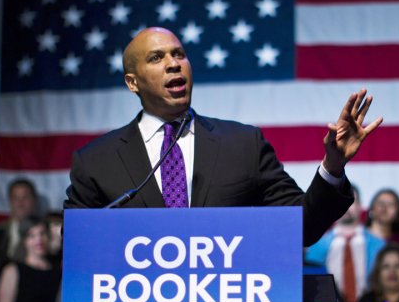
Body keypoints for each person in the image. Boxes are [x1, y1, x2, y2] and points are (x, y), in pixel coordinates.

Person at [63, 27, 382, 247]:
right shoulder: (96, 162)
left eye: (179, 54)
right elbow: (76, 247)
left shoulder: (243, 145)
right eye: (157, 58)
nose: (174, 64)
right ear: (132, 82)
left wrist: (333, 165)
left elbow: (301, 226)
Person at [305, 185, 385, 302]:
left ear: (360, 205)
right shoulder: (316, 245)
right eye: (338, 202)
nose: (345, 207)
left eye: (351, 202)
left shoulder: (380, 245)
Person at [0, 178, 39, 273]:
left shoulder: (44, 232)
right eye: (15, 198)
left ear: (34, 199)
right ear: (9, 201)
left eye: (25, 197)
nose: (20, 203)